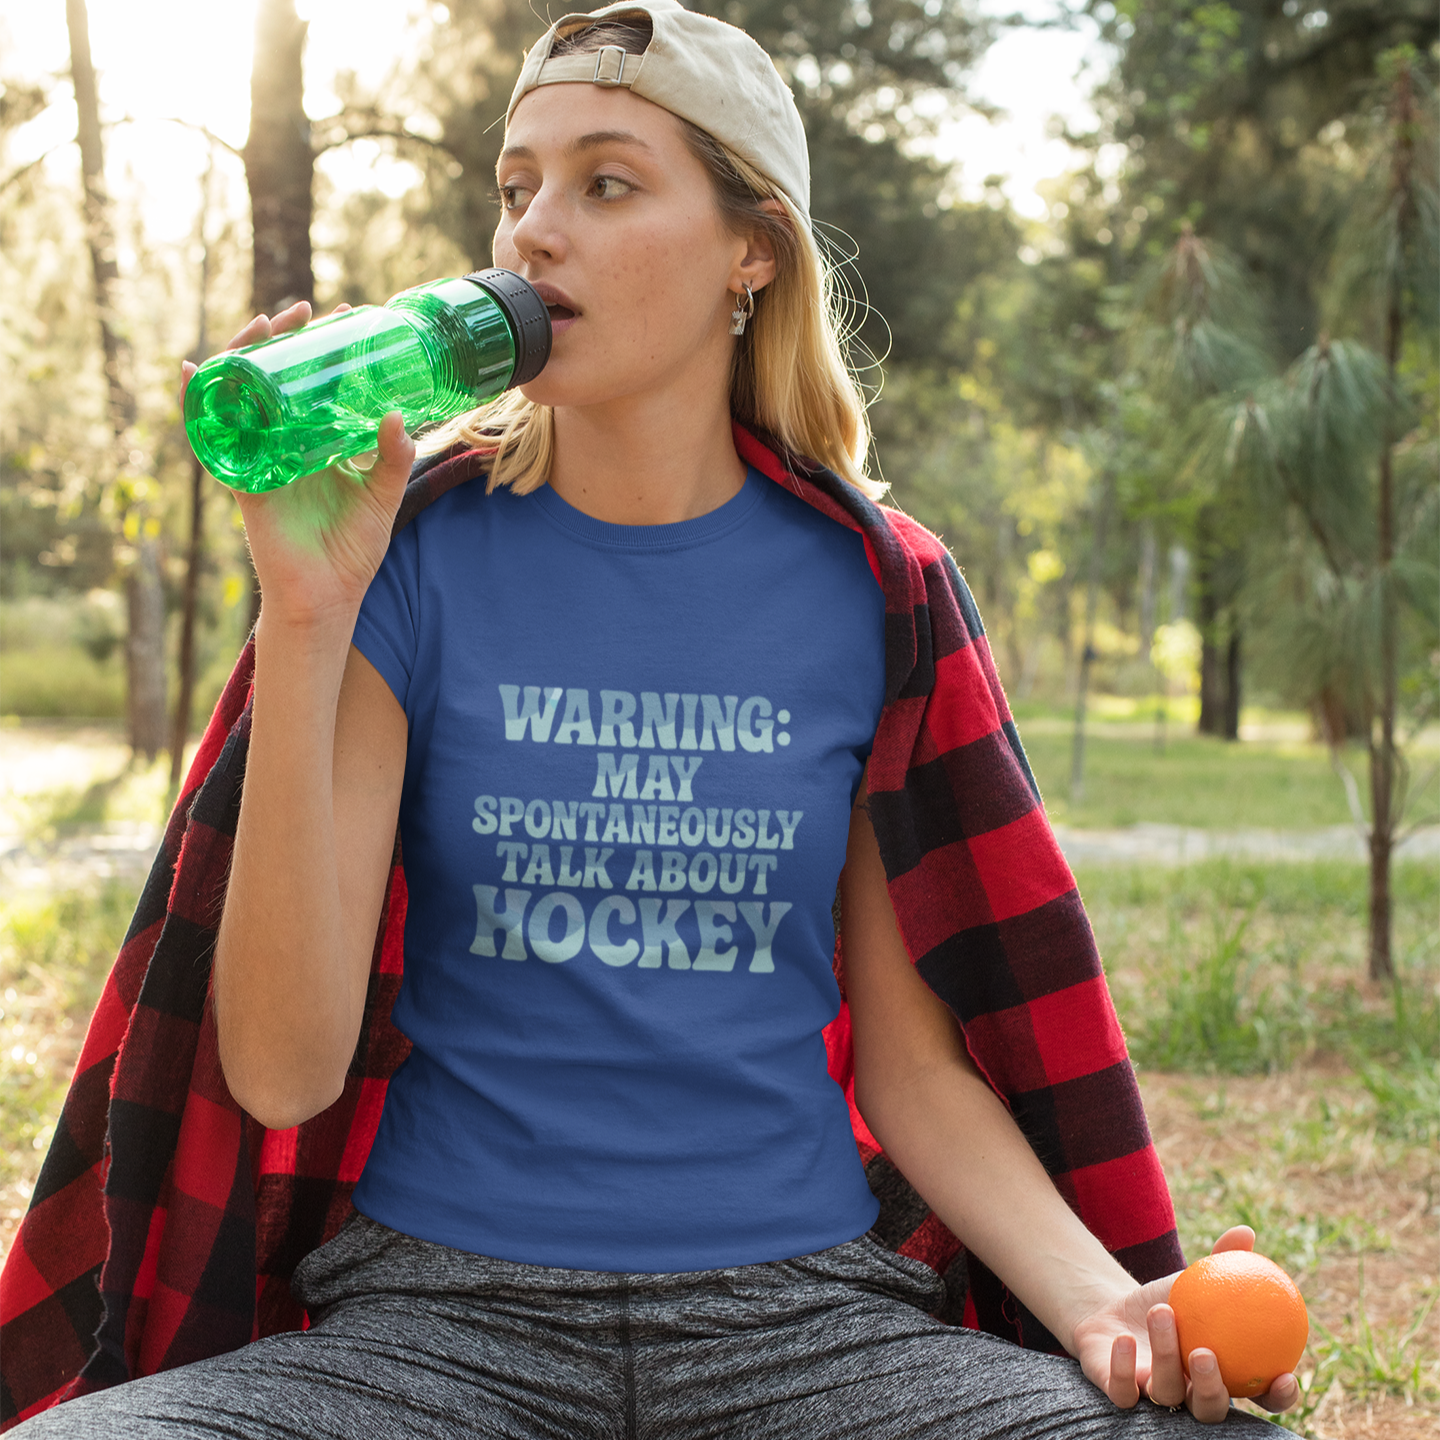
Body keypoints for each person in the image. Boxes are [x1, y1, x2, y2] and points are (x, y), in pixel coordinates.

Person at [12, 3, 1300, 1435]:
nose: (531, 235)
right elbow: (282, 1069)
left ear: (753, 251)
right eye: (516, 190)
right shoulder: (407, 562)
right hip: (430, 1336)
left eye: (604, 183)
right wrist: (306, 616)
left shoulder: (877, 588)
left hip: (809, 1328)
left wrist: (1101, 1301)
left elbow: (917, 1073)